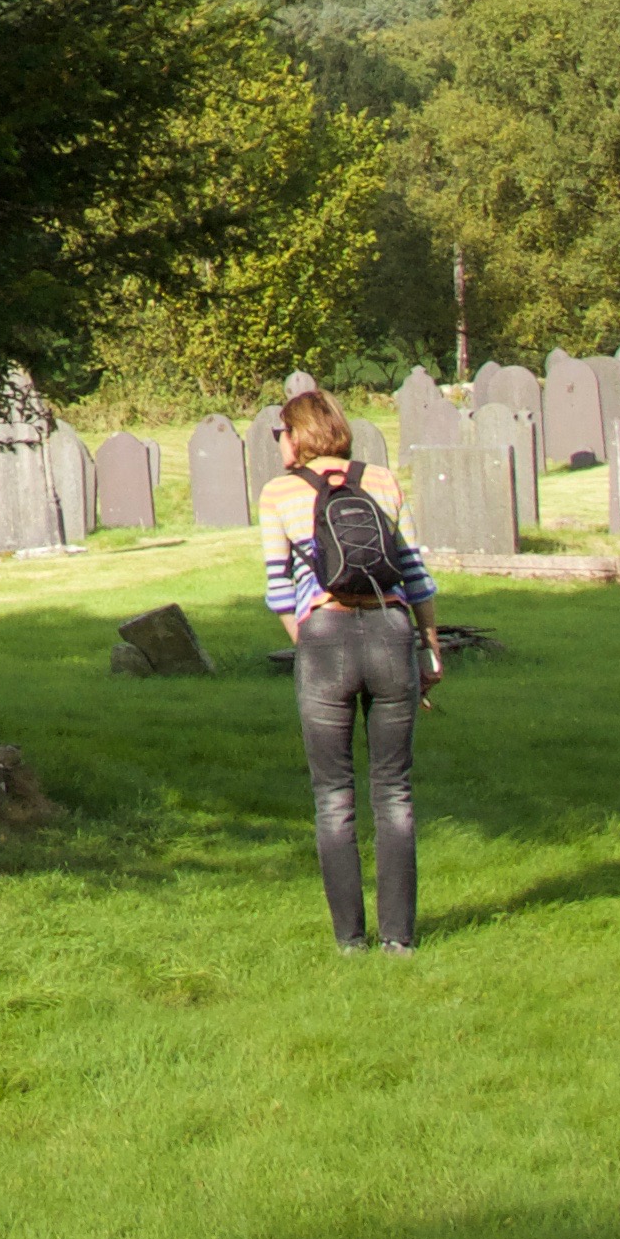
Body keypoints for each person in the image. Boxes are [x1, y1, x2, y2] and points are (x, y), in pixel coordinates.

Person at [261, 385, 435, 952]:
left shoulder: (279, 492)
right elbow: (414, 573)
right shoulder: (381, 479)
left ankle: (350, 942)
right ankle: (400, 941)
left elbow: (279, 590)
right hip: (391, 631)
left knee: (334, 794)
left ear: (298, 434)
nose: (278, 443)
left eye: (281, 432)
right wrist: (428, 647)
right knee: (395, 792)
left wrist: (308, 637)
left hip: (327, 638)